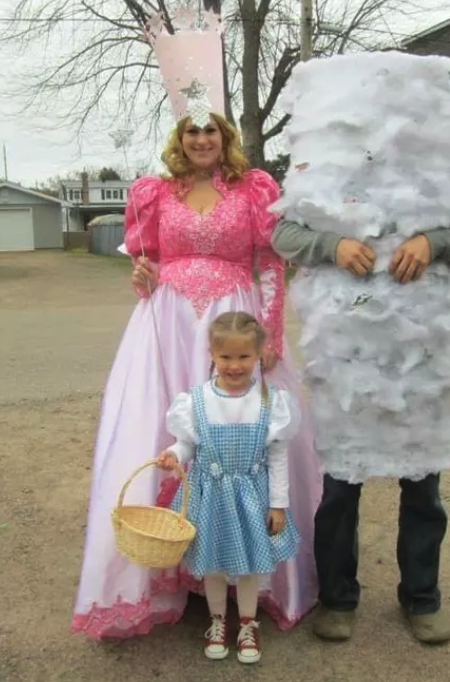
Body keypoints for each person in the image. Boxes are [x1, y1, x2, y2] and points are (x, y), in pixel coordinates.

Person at [70, 112, 321, 639]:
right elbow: (147, 265)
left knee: (245, 434)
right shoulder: (152, 193)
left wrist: (270, 332)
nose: (202, 139)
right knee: (166, 433)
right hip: (167, 328)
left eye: (211, 131)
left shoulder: (252, 189)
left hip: (234, 323)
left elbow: (271, 262)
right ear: (179, 138)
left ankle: (247, 571)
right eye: (192, 131)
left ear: (224, 137)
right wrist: (143, 278)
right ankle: (168, 572)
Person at [272, 219, 450, 645]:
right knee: (340, 490)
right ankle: (337, 598)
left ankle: (421, 597)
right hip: (346, 359)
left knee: (422, 487)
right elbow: (284, 234)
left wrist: (435, 243)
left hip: (423, 360)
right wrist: (334, 243)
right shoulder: (330, 156)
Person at [156, 311, 300, 664]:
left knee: (250, 565)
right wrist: (174, 454)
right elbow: (189, 444)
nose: (234, 366)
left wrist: (278, 505)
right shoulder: (197, 401)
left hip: (252, 498)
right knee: (215, 566)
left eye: (243, 357)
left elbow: (278, 457)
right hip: (210, 499)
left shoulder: (270, 402)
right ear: (212, 355)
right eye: (226, 358)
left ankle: (248, 623)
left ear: (258, 355)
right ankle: (217, 620)